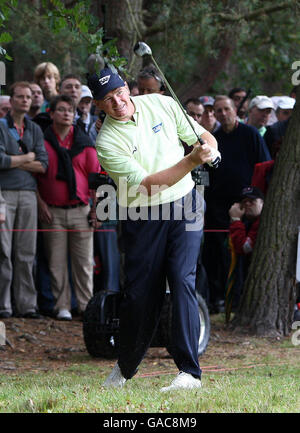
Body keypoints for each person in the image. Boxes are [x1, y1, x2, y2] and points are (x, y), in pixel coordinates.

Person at [87, 67, 220, 391]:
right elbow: (146, 186)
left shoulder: (161, 103)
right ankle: (126, 365)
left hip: (186, 204)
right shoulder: (107, 142)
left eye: (119, 93)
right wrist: (192, 161)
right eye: (107, 100)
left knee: (181, 278)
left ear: (127, 89)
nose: (117, 102)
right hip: (143, 214)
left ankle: (190, 373)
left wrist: (209, 147)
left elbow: (201, 136)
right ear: (100, 106)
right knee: (140, 296)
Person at [202, 95, 271, 313]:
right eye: (218, 110)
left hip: (248, 203)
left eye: (226, 109)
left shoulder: (250, 134)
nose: (223, 114)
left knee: (244, 251)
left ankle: (241, 299)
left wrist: (255, 200)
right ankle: (220, 298)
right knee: (218, 252)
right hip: (218, 204)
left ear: (235, 111)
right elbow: (206, 172)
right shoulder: (214, 138)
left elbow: (263, 166)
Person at [36, 95, 100, 321]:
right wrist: (40, 203)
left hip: (81, 211)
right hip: (51, 212)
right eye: (61, 110)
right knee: (56, 262)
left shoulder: (84, 144)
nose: (66, 114)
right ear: (51, 114)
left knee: (83, 263)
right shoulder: (41, 142)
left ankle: (86, 307)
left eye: (69, 111)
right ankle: (62, 306)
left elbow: (95, 179)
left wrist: (96, 210)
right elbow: (33, 178)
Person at [0, 81, 48, 319]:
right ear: (11, 100)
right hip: (4, 193)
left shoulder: (34, 129)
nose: (25, 100)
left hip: (29, 194)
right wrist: (26, 157)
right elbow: (0, 161)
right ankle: (4, 305)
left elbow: (43, 165)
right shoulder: (0, 126)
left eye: (28, 97)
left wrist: (15, 158)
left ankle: (27, 305)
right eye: (20, 96)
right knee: (4, 251)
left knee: (26, 252)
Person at [227, 186, 264, 309]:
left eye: (252, 200)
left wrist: (236, 220)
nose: (247, 204)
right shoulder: (248, 222)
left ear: (262, 203)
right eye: (244, 201)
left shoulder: (263, 222)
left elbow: (244, 248)